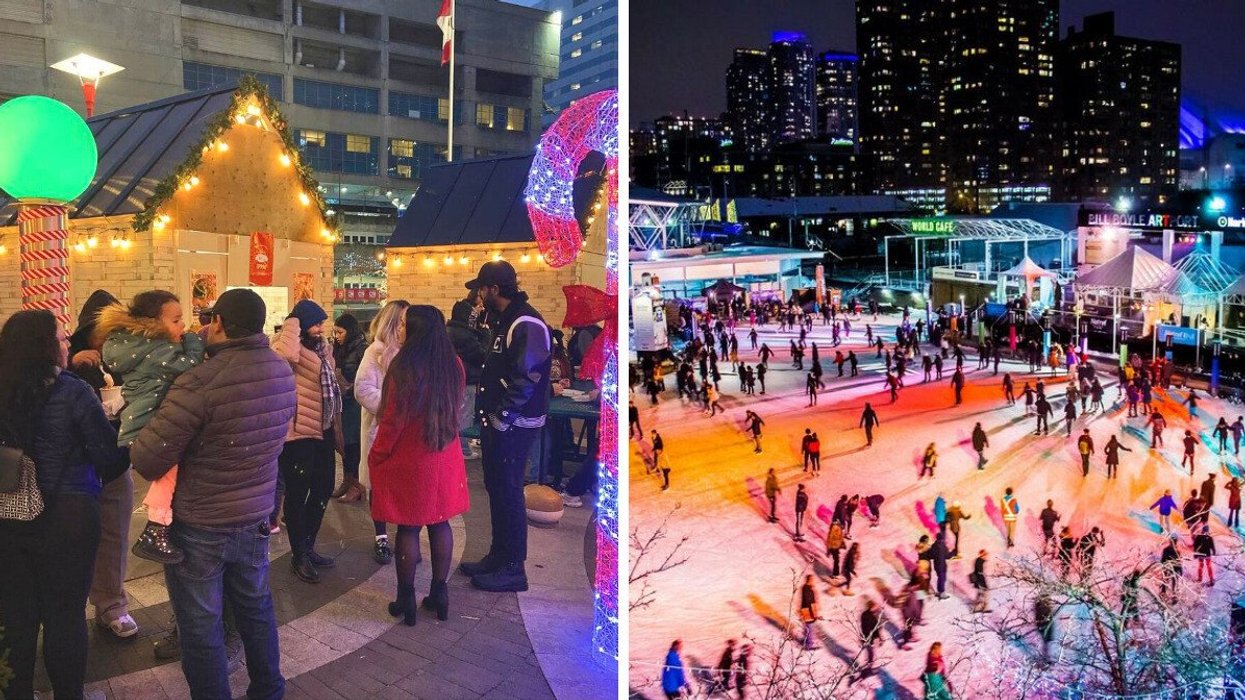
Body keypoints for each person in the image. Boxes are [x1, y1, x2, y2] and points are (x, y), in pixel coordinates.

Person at [131, 289, 297, 699]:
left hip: (200, 525)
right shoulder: (280, 371)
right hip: (255, 516)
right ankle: (269, 689)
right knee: (256, 609)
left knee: (201, 626)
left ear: (218, 322)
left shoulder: (199, 382)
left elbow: (148, 459)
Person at [0, 310, 127, 699]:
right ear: (44, 346)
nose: (68, 343)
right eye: (61, 337)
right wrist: (124, 431)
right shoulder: (73, 392)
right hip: (69, 517)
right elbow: (108, 459)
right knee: (65, 615)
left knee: (15, 617)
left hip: (7, 517)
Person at [368, 306, 469, 625]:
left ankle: (406, 599)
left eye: (403, 324)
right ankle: (440, 594)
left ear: (416, 330)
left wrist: (377, 454)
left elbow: (392, 421)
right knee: (440, 523)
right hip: (444, 455)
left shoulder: (404, 367)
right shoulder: (453, 364)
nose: (398, 329)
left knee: (408, 527)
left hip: (411, 460)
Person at [459, 261, 553, 593]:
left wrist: (503, 417)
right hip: (502, 424)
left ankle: (513, 567)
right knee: (498, 488)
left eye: (481, 289)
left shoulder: (525, 322)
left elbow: (527, 377)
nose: (478, 296)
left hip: (514, 425)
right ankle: (499, 557)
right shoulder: (507, 320)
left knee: (509, 491)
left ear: (494, 289)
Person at [96, 292, 206, 567]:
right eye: (176, 320)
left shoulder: (137, 346)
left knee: (168, 474)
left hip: (142, 422)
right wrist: (194, 341)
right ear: (153, 324)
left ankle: (158, 526)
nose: (183, 325)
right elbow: (189, 367)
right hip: (149, 424)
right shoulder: (158, 352)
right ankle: (154, 530)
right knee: (168, 473)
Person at [69, 289, 140, 640]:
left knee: (114, 536)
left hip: (115, 462)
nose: (112, 338)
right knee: (71, 540)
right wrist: (71, 364)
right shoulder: (68, 357)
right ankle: (67, 610)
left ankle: (112, 605)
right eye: (106, 331)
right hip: (73, 468)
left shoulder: (128, 357)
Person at [272, 299, 344, 584]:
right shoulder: (286, 345)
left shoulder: (322, 348)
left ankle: (308, 545)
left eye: (322, 323)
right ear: (300, 325)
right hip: (298, 433)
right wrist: (291, 322)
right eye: (315, 324)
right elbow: (284, 356)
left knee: (323, 488)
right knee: (297, 493)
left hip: (323, 429)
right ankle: (299, 554)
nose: (321, 329)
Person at [355, 300, 410, 565]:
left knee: (402, 485)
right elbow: (363, 389)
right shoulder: (375, 352)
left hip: (406, 432)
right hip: (382, 428)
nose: (403, 327)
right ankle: (381, 537)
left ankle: (406, 536)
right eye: (401, 322)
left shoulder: (412, 352)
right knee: (378, 485)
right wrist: (394, 406)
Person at [446, 291, 493, 460]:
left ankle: (458, 446)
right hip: (467, 379)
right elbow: (482, 354)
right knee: (465, 415)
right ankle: (463, 449)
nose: (479, 312)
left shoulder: (450, 331)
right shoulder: (464, 335)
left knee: (456, 413)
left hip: (455, 379)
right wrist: (485, 333)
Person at [331, 313, 369, 500]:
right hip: (342, 402)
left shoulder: (363, 349)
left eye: (340, 332)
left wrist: (350, 386)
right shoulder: (340, 348)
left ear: (350, 330)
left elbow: (364, 377)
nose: (337, 336)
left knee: (353, 444)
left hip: (355, 403)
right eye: (335, 332)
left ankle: (356, 485)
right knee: (344, 443)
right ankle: (347, 481)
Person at [858, 598, 882, 678]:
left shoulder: (866, 614)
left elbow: (873, 627)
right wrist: (872, 640)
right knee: (870, 655)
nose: (877, 607)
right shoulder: (869, 616)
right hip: (868, 639)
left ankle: (868, 669)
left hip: (866, 638)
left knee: (870, 655)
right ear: (872, 606)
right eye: (875, 606)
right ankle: (867, 672)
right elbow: (870, 628)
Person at [799, 574, 819, 649]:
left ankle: (805, 640)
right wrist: (813, 613)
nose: (813, 581)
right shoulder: (808, 590)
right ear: (809, 580)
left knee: (807, 626)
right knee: (810, 628)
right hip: (808, 611)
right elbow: (809, 602)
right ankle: (809, 644)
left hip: (805, 610)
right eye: (812, 580)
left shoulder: (805, 587)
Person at [1034, 594, 1055, 659]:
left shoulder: (1039, 605)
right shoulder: (1041, 606)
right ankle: (1045, 657)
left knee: (1046, 642)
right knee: (1045, 642)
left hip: (1046, 625)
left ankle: (1046, 656)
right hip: (1044, 625)